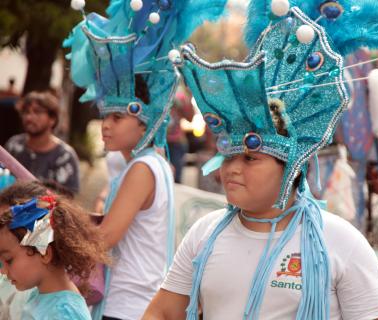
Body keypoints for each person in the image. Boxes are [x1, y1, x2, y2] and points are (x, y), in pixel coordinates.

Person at [143, 1, 378, 319]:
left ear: (291, 165)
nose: (232, 168)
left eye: (250, 159)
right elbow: (163, 313)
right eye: (229, 156)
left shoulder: (340, 241)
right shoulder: (204, 233)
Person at [64, 1, 228, 319]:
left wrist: (54, 224)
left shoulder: (142, 168)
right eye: (104, 116)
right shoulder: (150, 163)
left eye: (117, 117)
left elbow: (105, 238)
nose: (106, 125)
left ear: (144, 121)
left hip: (128, 307)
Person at [0, 181, 110, 319]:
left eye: (9, 260)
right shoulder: (38, 296)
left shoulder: (65, 312)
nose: (3, 270)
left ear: (44, 252)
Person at [4, 91, 80, 193]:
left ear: (52, 119)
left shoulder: (65, 156)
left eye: (37, 112)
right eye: (26, 112)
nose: (29, 117)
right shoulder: (13, 145)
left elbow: (68, 201)